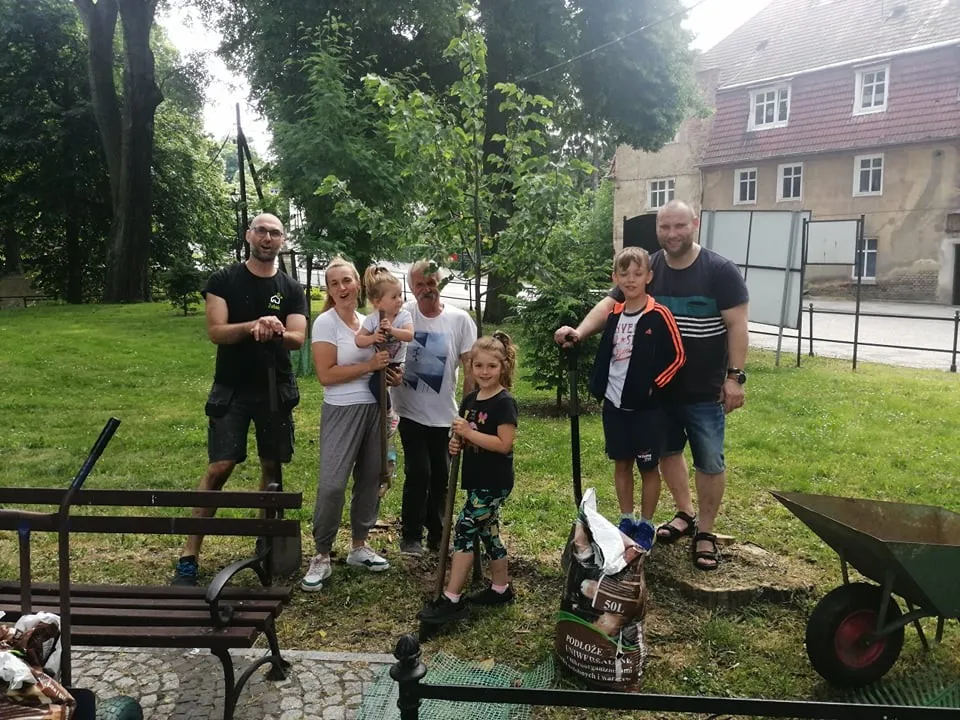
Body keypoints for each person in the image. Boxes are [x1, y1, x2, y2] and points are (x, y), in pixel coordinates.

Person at [555, 200, 748, 571]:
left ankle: (706, 531)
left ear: (695, 223)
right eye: (665, 227)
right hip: (659, 394)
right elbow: (609, 305)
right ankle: (685, 513)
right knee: (668, 453)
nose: (672, 234)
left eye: (679, 226)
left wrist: (734, 377)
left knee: (709, 459)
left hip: (704, 388)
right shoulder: (648, 265)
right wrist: (579, 332)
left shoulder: (719, 270)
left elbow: (738, 325)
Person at [173, 213, 307, 586]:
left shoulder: (291, 288)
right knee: (220, 466)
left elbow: (298, 338)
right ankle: (189, 555)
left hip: (275, 388)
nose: (267, 238)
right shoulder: (224, 280)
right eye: (261, 230)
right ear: (249, 235)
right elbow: (216, 331)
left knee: (272, 468)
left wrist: (276, 330)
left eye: (275, 233)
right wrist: (253, 326)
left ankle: (266, 546)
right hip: (231, 388)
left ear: (283, 240)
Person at [300, 257, 399, 592]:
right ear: (329, 290)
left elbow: (384, 362)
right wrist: (370, 365)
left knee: (370, 478)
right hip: (341, 410)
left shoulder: (369, 321)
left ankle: (359, 545)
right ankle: (321, 553)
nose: (342, 288)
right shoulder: (326, 323)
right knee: (332, 484)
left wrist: (391, 373)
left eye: (347, 281)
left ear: (358, 283)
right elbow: (326, 375)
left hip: (375, 408)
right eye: (334, 283)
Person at [587, 246, 685, 552]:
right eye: (624, 274)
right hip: (615, 405)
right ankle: (626, 518)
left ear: (648, 277)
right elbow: (607, 355)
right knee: (621, 463)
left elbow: (678, 356)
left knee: (647, 467)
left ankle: (646, 522)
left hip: (646, 409)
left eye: (637, 273)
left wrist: (653, 386)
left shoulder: (658, 315)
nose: (631, 279)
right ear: (615, 278)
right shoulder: (614, 315)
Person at [417, 332, 519, 623]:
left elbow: (504, 444)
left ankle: (452, 598)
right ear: (470, 366)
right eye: (479, 366)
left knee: (465, 528)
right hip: (476, 478)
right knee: (488, 532)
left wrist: (468, 434)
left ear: (503, 367)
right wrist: (456, 442)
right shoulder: (471, 401)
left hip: (494, 481)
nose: (484, 372)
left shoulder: (504, 403)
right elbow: (463, 436)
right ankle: (500, 589)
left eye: (491, 366)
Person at [392, 260, 477, 557]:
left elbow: (470, 368)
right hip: (409, 411)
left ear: (440, 284)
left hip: (445, 416)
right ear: (411, 287)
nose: (427, 289)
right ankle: (411, 535)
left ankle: (438, 535)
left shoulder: (460, 320)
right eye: (420, 284)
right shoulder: (403, 316)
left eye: (431, 283)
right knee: (419, 472)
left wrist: (466, 413)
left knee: (441, 476)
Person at [355, 265, 414, 491]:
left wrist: (392, 331)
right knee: (374, 385)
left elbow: (409, 335)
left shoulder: (403, 316)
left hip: (396, 363)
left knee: (380, 385)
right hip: (379, 363)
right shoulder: (372, 319)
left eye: (400, 295)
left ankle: (390, 415)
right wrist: (373, 338)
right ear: (378, 302)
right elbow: (359, 340)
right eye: (394, 297)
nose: (400, 300)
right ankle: (389, 412)